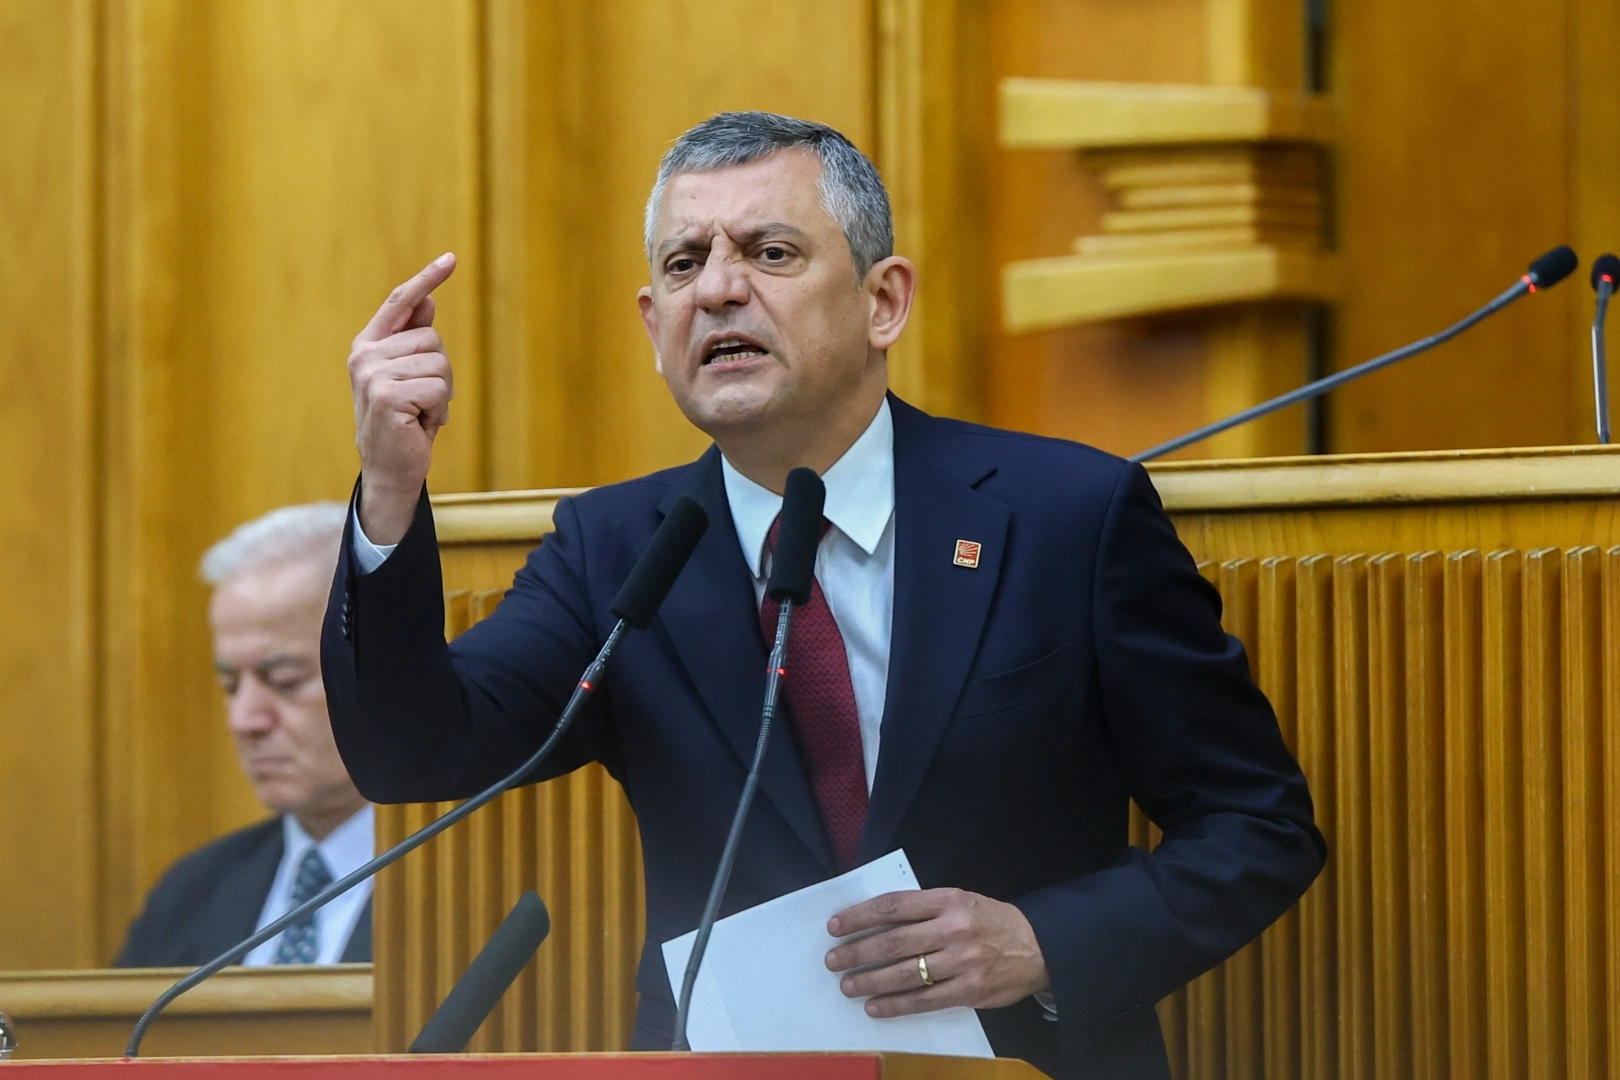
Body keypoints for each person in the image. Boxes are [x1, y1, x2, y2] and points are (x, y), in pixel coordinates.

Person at [324, 112, 1324, 1078]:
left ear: (883, 301)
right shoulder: (617, 550)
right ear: (654, 326)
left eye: (770, 253)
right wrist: (390, 488)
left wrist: (1040, 942)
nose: (719, 290)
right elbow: (416, 750)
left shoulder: (1068, 517)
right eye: (684, 265)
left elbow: (1257, 824)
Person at [116, 503, 374, 968]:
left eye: (284, 680)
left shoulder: (471, 889)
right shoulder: (189, 895)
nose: (244, 720)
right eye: (230, 686)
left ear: (383, 667)